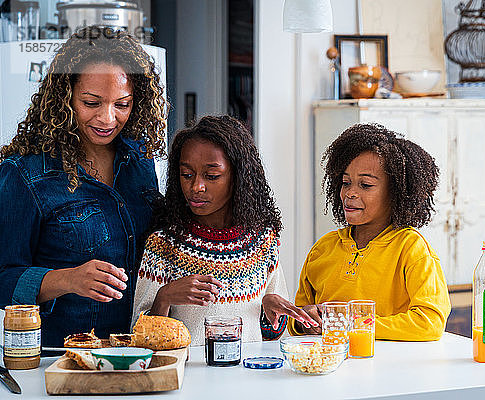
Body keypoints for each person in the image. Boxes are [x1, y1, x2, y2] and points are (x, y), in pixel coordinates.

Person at [0, 27, 167, 347]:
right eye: (92, 102)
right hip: (60, 357)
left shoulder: (139, 161)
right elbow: (3, 278)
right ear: (65, 97)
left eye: (122, 104)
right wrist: (66, 279)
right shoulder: (24, 174)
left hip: (136, 350)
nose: (108, 118)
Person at [132, 115, 317, 344]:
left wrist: (270, 314)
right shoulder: (164, 244)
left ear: (238, 178)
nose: (196, 187)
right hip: (189, 377)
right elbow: (139, 338)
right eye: (187, 175)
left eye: (212, 176)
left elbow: (274, 336)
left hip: (248, 377)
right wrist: (164, 298)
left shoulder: (262, 241)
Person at [289, 123, 451, 341]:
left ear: (396, 193)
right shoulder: (323, 249)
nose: (350, 193)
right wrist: (304, 322)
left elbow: (429, 322)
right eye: (346, 182)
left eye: (365, 185)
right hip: (331, 367)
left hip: (387, 369)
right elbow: (297, 316)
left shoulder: (411, 249)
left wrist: (352, 324)